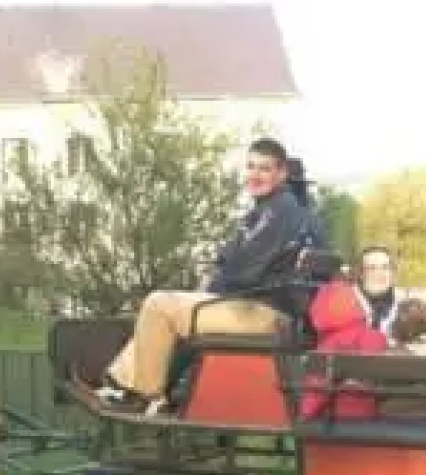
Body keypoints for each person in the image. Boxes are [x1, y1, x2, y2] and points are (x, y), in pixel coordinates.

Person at [86, 137, 328, 415]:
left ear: (282, 173)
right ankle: (118, 382)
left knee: (158, 304)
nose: (255, 175)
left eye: (264, 169)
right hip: (273, 311)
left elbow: (243, 270)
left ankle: (147, 396)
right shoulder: (294, 213)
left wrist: (222, 265)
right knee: (166, 311)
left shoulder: (278, 212)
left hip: (263, 313)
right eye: (250, 167)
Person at [298, 278, 388, 421]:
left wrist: (305, 413)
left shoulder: (329, 345)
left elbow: (318, 388)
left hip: (333, 420)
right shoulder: (376, 337)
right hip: (369, 416)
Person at [354, 245, 401, 335]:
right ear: (361, 274)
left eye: (385, 267)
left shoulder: (407, 303)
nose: (379, 273)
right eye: (372, 268)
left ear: (393, 272)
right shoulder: (347, 301)